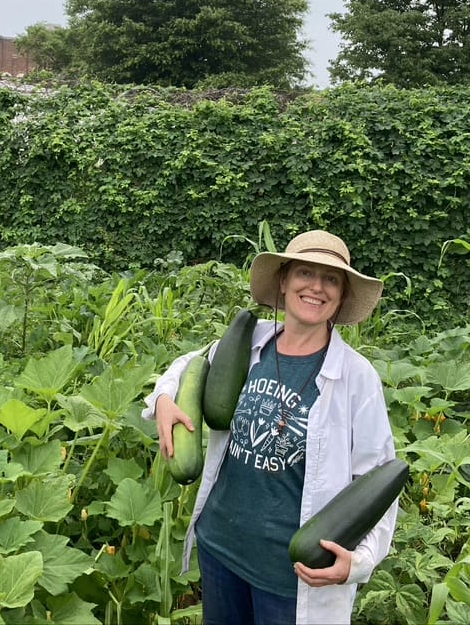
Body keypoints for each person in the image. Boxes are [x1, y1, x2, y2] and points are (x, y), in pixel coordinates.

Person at [142, 230, 399, 625]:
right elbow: (188, 367)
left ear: (342, 294)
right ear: (283, 281)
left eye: (331, 279)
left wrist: (359, 562)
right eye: (304, 273)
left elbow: (379, 481)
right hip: (221, 550)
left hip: (293, 577)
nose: (316, 287)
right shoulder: (249, 341)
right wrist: (163, 400)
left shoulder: (356, 378)